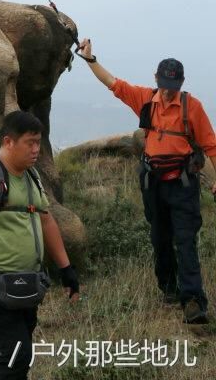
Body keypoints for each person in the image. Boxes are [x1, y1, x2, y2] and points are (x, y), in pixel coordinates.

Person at [79, 37, 216, 324]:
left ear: (180, 82)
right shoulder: (145, 99)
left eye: (173, 87)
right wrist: (91, 59)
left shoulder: (193, 107)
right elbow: (112, 83)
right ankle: (168, 290)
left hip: (183, 184)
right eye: (164, 85)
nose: (168, 93)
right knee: (160, 238)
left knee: (186, 240)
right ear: (157, 78)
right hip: (152, 183)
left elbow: (211, 145)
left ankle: (193, 301)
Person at [0, 110, 79, 380]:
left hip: (25, 284)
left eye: (38, 142)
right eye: (29, 143)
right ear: (8, 142)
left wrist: (66, 269)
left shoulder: (31, 176)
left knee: (20, 355)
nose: (36, 149)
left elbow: (47, 222)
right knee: (16, 354)